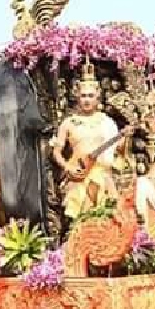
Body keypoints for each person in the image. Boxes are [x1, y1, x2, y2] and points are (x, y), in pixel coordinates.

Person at [51, 61, 123, 225]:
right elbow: (56, 152)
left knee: (104, 219)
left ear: (97, 97)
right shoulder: (69, 123)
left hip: (101, 175)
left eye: (90, 96)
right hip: (78, 175)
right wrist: (68, 167)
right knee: (79, 221)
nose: (87, 100)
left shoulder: (106, 122)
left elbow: (116, 151)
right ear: (77, 97)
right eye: (83, 96)